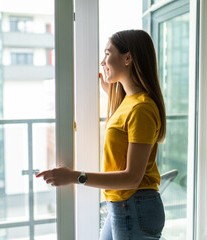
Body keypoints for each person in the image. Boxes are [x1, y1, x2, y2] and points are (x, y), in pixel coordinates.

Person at [36, 29, 166, 240]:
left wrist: (74, 177)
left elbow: (132, 178)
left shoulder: (142, 108)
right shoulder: (128, 102)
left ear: (128, 58)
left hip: (134, 206)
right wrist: (111, 91)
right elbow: (121, 129)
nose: (102, 61)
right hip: (124, 205)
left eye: (107, 53)